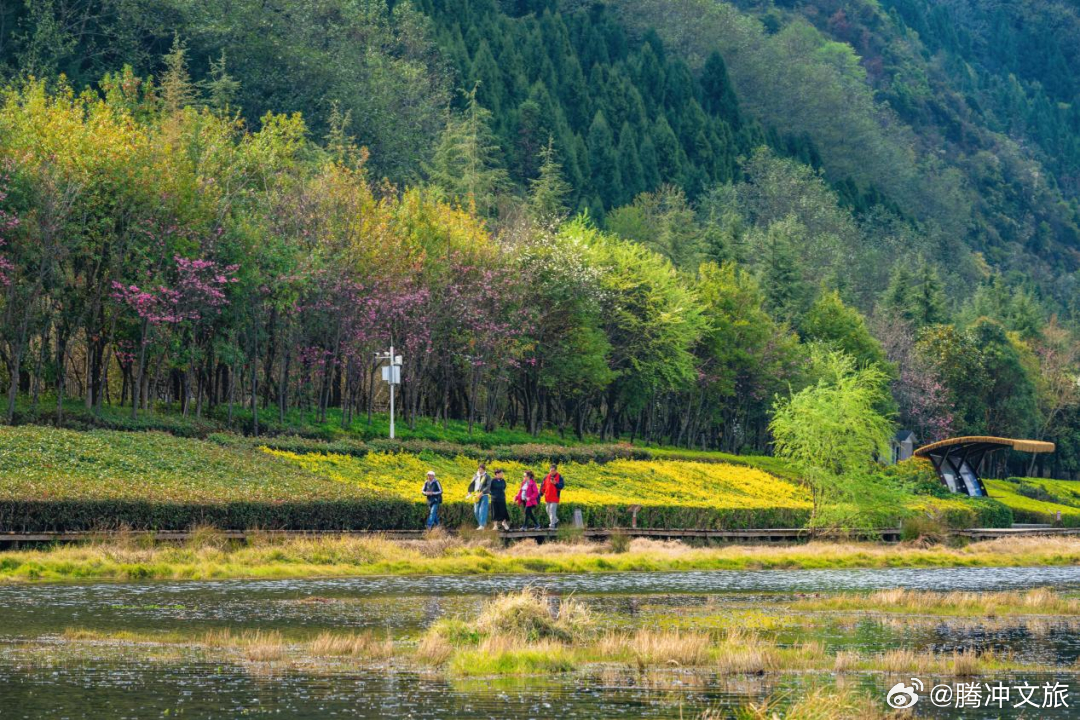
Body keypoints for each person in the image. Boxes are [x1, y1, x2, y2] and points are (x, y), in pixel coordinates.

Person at [466, 462, 492, 529]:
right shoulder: (475, 475)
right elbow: (472, 484)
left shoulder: (487, 476)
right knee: (476, 511)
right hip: (476, 495)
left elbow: (489, 486)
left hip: (484, 495)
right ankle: (482, 523)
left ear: (484, 470)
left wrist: (482, 492)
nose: (480, 471)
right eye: (479, 469)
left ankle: (482, 525)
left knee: (482, 510)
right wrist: (469, 492)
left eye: (482, 469)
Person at [540, 463, 564, 530]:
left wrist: (555, 483)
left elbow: (561, 486)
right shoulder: (546, 477)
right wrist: (540, 494)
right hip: (547, 497)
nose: (551, 472)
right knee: (547, 510)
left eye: (553, 470)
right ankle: (555, 520)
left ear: (556, 470)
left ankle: (552, 525)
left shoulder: (560, 477)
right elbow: (543, 486)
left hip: (555, 497)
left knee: (552, 511)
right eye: (551, 470)